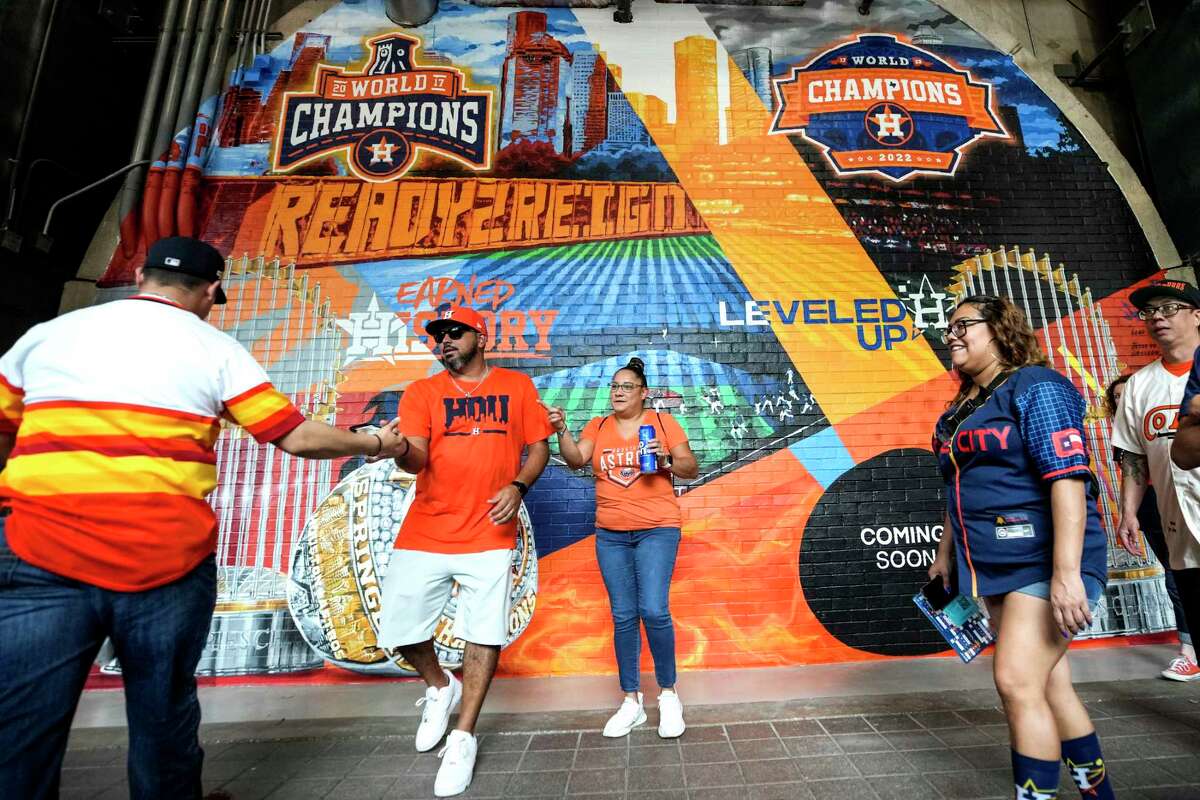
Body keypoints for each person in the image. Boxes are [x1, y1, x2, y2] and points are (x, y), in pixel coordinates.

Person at [0, 237, 409, 800]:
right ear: (212, 289)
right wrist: (376, 443)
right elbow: (295, 436)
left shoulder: (46, 336)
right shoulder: (215, 349)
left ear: (140, 276)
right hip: (162, 562)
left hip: (39, 549)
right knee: (162, 713)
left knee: (23, 724)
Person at [929, 295, 1114, 800]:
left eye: (964, 325)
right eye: (949, 328)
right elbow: (957, 487)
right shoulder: (960, 409)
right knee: (1051, 685)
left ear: (1000, 329)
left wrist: (1067, 574)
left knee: (1016, 681)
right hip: (990, 565)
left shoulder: (1038, 386)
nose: (952, 335)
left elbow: (1067, 478)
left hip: (1044, 560)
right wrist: (945, 555)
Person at [374, 304, 552, 798]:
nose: (445, 340)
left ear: (481, 337)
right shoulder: (423, 392)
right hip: (427, 527)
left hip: (489, 530)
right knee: (398, 628)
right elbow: (415, 460)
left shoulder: (517, 386)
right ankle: (439, 685)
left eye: (455, 332)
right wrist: (395, 448)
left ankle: (464, 735)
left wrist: (518, 486)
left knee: (483, 630)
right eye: (439, 335)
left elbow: (539, 447)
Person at [546, 357, 699, 739]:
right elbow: (576, 459)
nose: (618, 392)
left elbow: (690, 467)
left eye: (627, 386)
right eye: (614, 386)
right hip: (611, 534)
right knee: (623, 615)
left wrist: (665, 460)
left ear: (643, 393)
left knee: (654, 609)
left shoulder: (662, 423)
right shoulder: (598, 426)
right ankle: (631, 701)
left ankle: (668, 694)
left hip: (657, 529)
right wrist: (562, 430)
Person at [1113, 280, 1200, 685]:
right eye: (1149, 312)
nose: (1157, 317)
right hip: (1178, 524)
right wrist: (1128, 512)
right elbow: (1133, 455)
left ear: (1197, 315)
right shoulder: (1139, 385)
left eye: (1169, 308)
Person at [1106, 374, 1195, 679]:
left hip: (1186, 493)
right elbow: (1132, 472)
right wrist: (1127, 513)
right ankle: (1189, 652)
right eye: (1116, 397)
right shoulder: (1127, 432)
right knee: (1176, 575)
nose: (1121, 400)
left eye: (1124, 395)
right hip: (1155, 505)